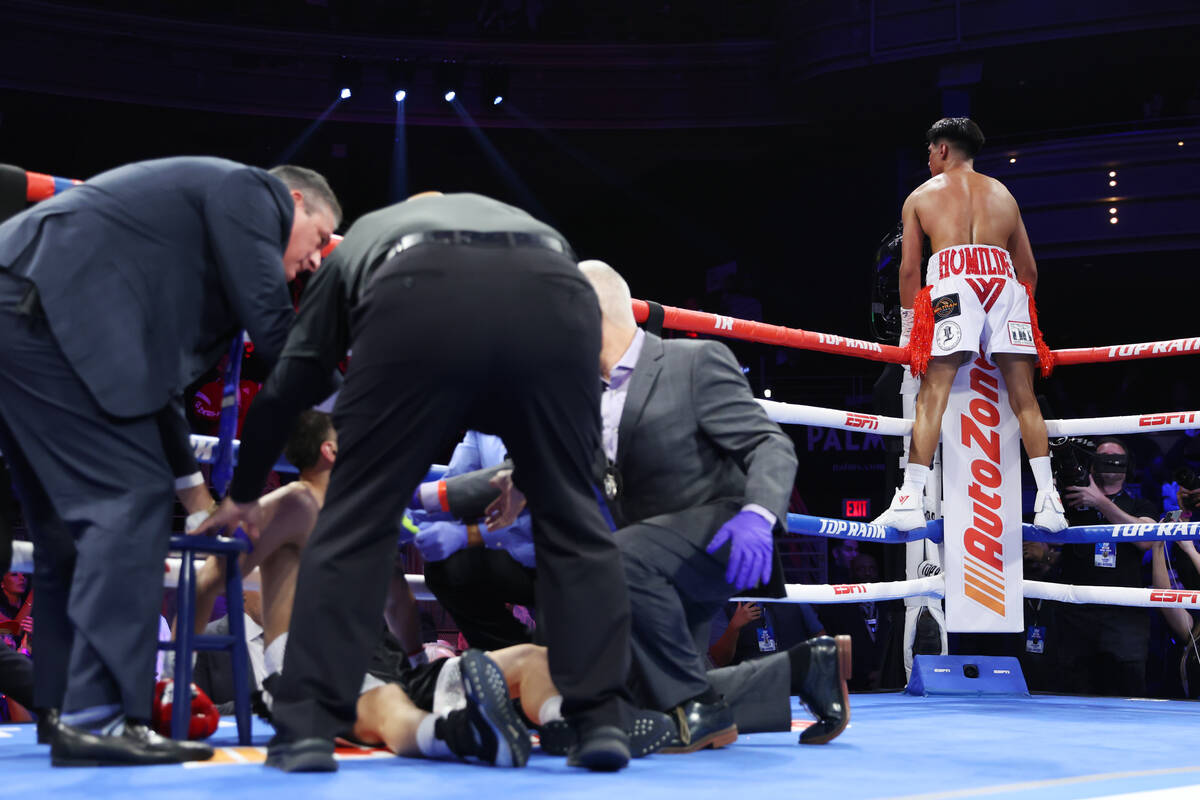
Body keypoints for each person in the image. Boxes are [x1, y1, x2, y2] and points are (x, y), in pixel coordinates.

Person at [199, 193, 637, 772]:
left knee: (352, 523)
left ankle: (306, 730)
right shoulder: (511, 221)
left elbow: (287, 384)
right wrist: (533, 474)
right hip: (558, 291)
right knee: (577, 521)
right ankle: (598, 721)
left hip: (418, 299)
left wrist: (242, 491)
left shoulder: (365, 237)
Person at [0, 157, 340, 766]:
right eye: (318, 238)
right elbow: (278, 333)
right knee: (125, 507)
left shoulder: (173, 258)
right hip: (48, 311)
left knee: (62, 531)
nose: (316, 260)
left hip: (28, 310)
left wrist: (202, 501)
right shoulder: (251, 192)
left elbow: (158, 397)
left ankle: (62, 712)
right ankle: (100, 717)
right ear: (293, 201)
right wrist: (363, 394)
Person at [576, 260, 850, 750]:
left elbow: (769, 443)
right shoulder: (589, 398)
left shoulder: (693, 361)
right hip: (652, 566)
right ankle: (804, 669)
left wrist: (758, 515)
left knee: (608, 556)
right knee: (638, 698)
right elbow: (536, 464)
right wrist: (434, 493)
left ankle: (698, 711)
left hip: (720, 539)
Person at [873, 117, 1068, 534]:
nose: (927, 160)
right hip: (1004, 285)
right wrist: (1013, 316)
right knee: (1024, 396)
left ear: (942, 149)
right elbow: (1028, 271)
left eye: (929, 151)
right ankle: (1050, 501)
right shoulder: (1004, 195)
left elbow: (910, 272)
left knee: (932, 393)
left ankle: (909, 497)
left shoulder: (921, 196)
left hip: (951, 285)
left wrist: (910, 331)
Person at [414, 431, 537, 651]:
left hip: (564, 560)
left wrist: (466, 534)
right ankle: (513, 654)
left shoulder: (550, 410)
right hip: (521, 556)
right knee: (446, 568)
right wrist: (411, 516)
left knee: (569, 668)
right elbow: (456, 480)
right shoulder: (482, 424)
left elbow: (524, 486)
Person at [1056, 437, 1157, 696]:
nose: (1110, 459)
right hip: (1077, 612)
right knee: (1073, 690)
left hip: (1124, 616)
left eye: (1116, 456)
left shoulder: (1140, 505)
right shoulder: (1071, 502)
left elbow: (1146, 540)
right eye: (1103, 455)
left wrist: (1100, 501)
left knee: (1128, 690)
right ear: (1092, 465)